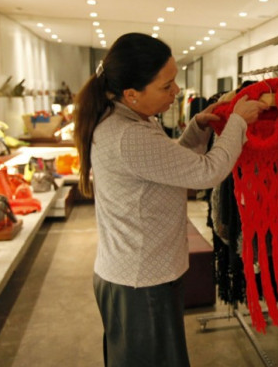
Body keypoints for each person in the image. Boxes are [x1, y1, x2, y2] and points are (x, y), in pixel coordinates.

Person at [73, 32, 267, 367]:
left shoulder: (123, 119)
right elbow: (206, 173)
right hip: (142, 281)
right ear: (132, 94)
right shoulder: (128, 135)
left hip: (133, 274)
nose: (176, 91)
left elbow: (161, 166)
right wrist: (237, 123)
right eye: (167, 86)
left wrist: (196, 128)